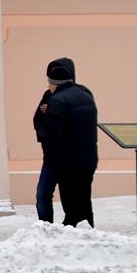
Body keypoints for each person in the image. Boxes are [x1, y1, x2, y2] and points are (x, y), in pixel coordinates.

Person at [37, 57, 99, 227]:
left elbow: (53, 134)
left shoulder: (57, 100)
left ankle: (57, 231)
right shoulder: (85, 94)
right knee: (83, 199)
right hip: (87, 158)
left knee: (68, 200)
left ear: (53, 82)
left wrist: (47, 113)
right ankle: (86, 229)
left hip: (64, 161)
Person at [31, 78, 58, 223]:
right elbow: (37, 120)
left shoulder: (76, 95)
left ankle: (73, 230)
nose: (49, 85)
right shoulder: (48, 94)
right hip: (50, 156)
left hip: (69, 157)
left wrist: (51, 110)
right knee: (42, 194)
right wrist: (44, 138)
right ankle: (46, 227)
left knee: (71, 198)